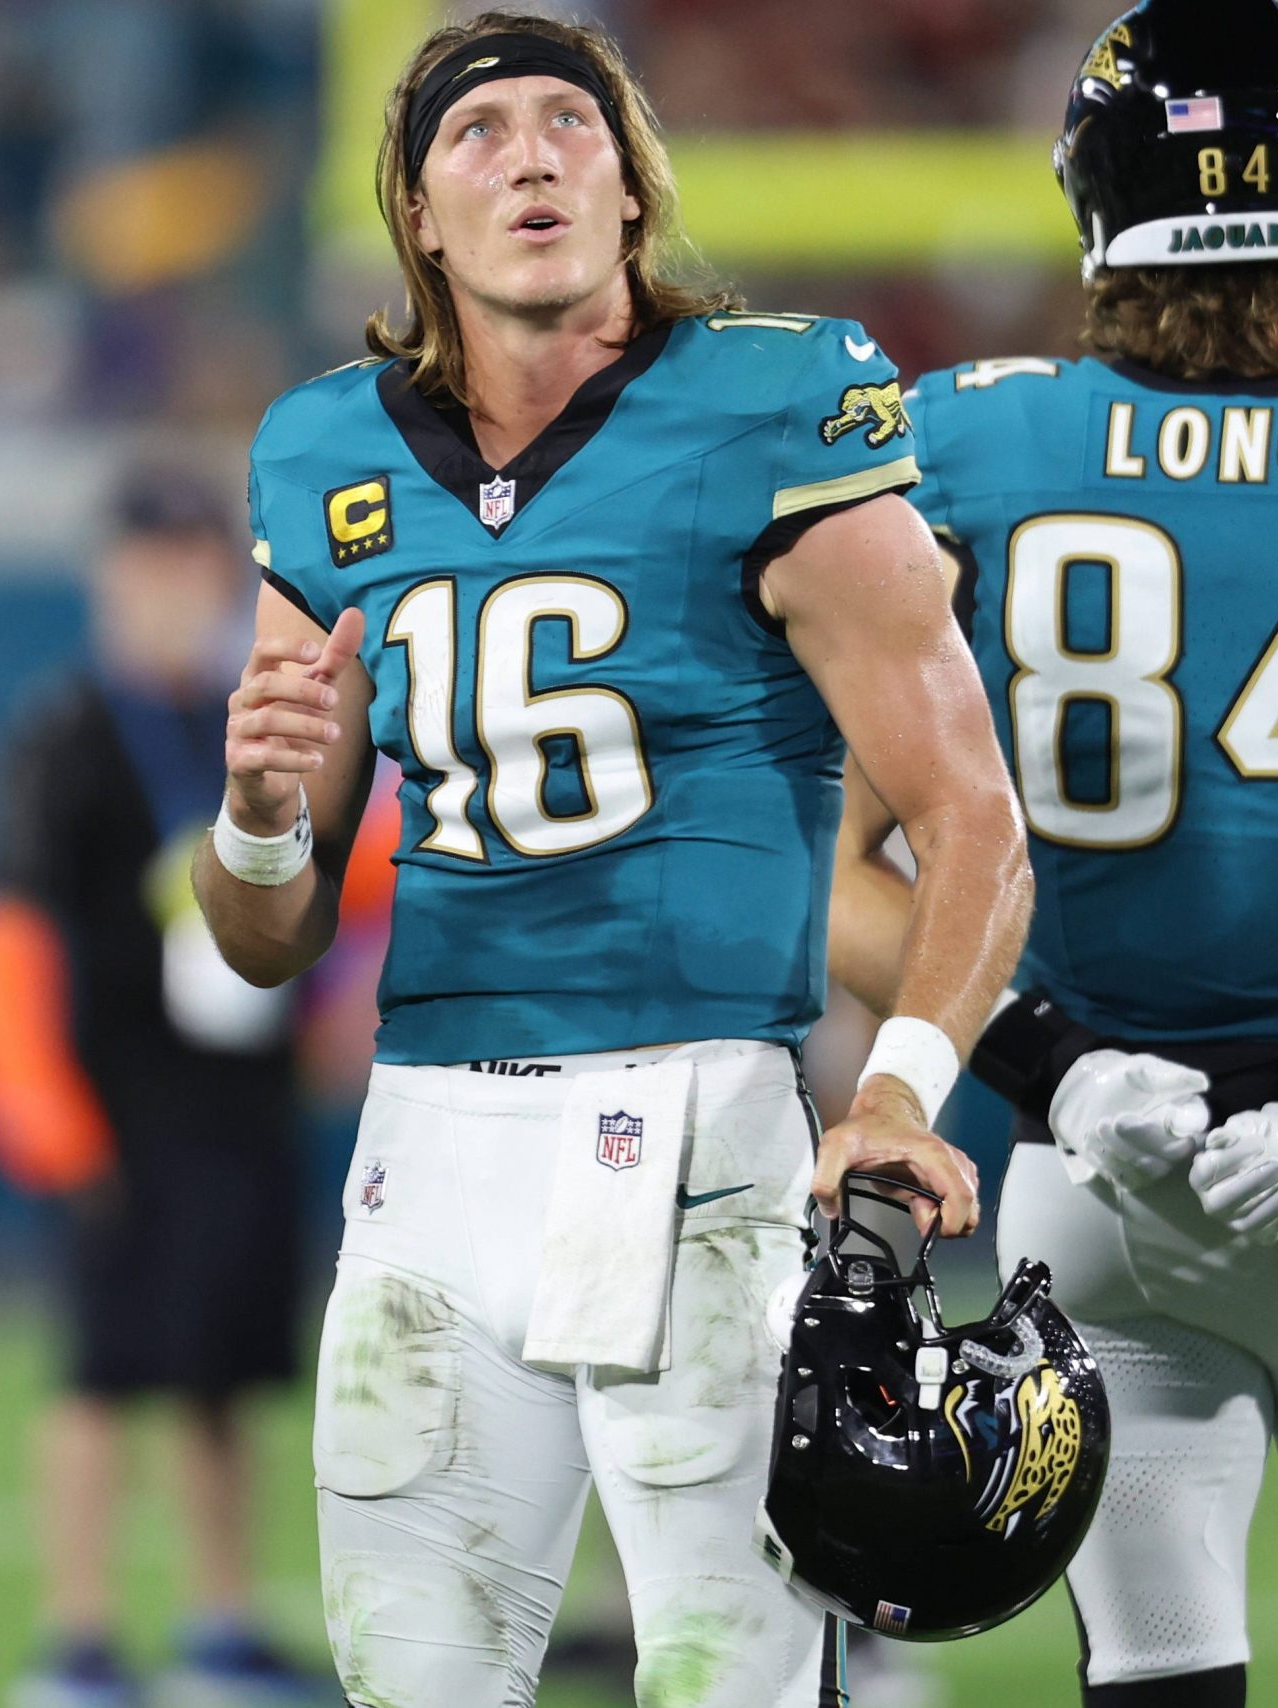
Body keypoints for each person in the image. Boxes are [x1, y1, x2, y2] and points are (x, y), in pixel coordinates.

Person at [193, 13, 1032, 1706]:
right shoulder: (325, 451)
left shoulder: (773, 402)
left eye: (569, 121)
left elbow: (972, 822)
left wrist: (900, 1090)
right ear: (417, 213)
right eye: (479, 131)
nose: (531, 153)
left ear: (630, 186)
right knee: (417, 1680)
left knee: (729, 1678)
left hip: (695, 1136)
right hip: (426, 1148)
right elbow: (262, 937)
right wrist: (258, 817)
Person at [832, 2, 1278, 1701]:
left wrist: (1055, 1063)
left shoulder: (961, 442)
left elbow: (816, 861)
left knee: (1164, 1677)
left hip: (1106, 1168)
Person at [0, 466, 337, 1708]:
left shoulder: (249, 724)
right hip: (116, 1097)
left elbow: (337, 889)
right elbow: (3, 930)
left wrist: (332, 1011)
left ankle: (221, 1625)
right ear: (109, 577)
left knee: (227, 1369)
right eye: (146, 567)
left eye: (189, 566)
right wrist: (39, 1106)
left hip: (238, 1095)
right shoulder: (65, 734)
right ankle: (81, 1638)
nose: (168, 592)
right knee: (104, 1369)